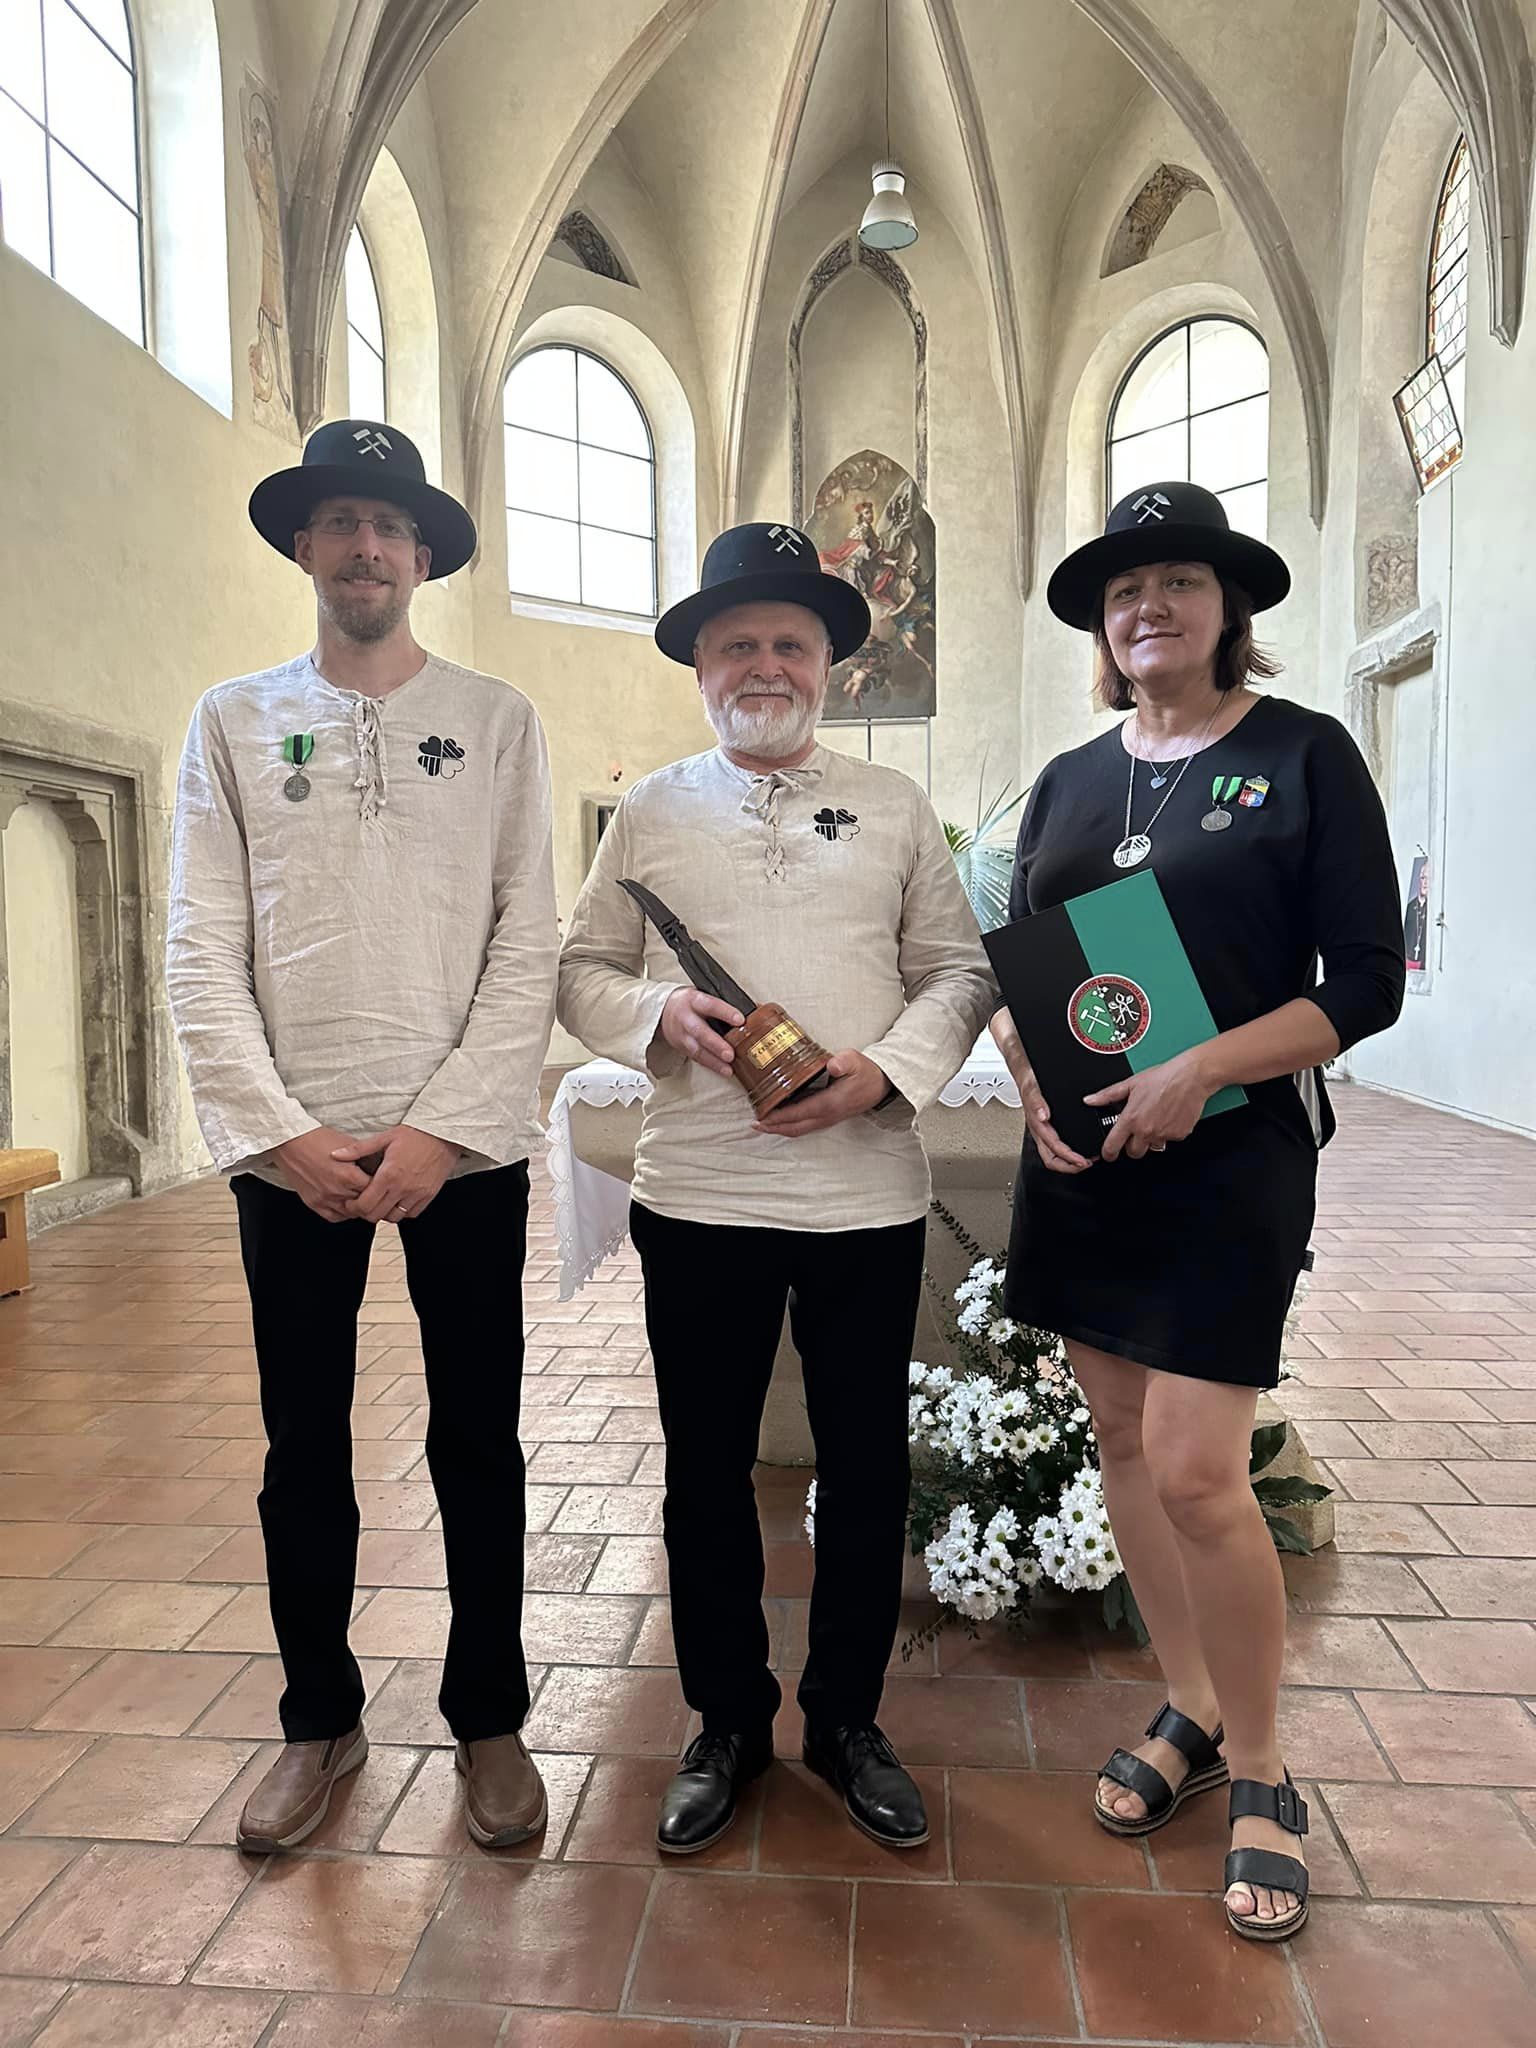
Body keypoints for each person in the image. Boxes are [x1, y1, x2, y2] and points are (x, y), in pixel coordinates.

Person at [991, 482, 1403, 1941]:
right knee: (1116, 1436)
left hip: (1231, 1158)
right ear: (1103, 628)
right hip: (1086, 1159)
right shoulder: (1068, 780)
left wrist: (1202, 1068)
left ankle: (1268, 1767)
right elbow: (1024, 964)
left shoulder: (1303, 754)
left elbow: (1365, 982)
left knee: (1195, 1470)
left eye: (1177, 581)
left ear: (1230, 609)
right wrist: (1029, 1081)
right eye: (1124, 591)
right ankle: (1191, 1706)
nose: (1147, 607)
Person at [558, 522, 995, 1855]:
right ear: (700, 665)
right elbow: (579, 970)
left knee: (865, 1470)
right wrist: (656, 1016)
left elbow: (958, 971)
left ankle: (849, 1718)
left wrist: (884, 1072)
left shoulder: (895, 806)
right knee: (706, 1472)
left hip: (863, 1201)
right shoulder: (649, 810)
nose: (765, 665)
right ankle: (728, 1720)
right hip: (698, 1199)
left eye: (790, 644)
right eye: (737, 643)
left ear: (829, 666)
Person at [167, 419, 557, 1853]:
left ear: (425, 555)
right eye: (342, 521)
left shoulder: (498, 719)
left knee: (479, 1442)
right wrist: (280, 1133)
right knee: (303, 1447)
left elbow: (528, 935)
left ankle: (490, 1715)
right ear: (304, 545)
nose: (368, 547)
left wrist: (445, 1128)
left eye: (391, 526)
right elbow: (200, 946)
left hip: (464, 1151)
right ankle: (317, 1719)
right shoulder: (232, 720)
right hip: (298, 1153)